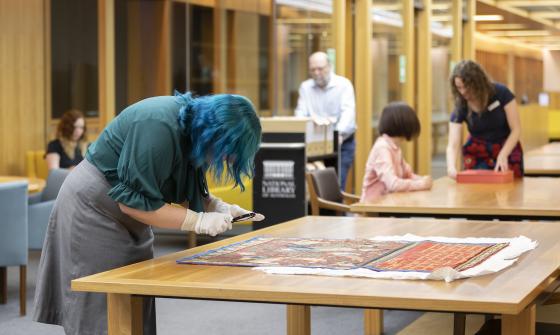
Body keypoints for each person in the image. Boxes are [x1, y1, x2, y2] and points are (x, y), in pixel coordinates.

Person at [33, 92, 265, 335]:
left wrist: (217, 206)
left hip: (131, 214)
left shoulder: (195, 129)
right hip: (94, 207)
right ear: (216, 133)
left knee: (135, 301)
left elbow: (182, 185)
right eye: (228, 152)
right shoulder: (158, 126)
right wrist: (198, 221)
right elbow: (133, 203)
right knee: (102, 309)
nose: (227, 159)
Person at [447, 60, 523, 178]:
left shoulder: (501, 93)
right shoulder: (461, 104)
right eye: (459, 87)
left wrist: (503, 154)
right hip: (478, 151)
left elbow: (516, 129)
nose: (463, 92)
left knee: (510, 190)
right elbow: (453, 143)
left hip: (507, 147)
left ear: (478, 83)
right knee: (477, 191)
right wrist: (451, 166)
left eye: (466, 87)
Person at [295, 51, 356, 190]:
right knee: (314, 188)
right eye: (313, 69)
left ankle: (336, 211)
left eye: (320, 68)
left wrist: (339, 135)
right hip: (315, 145)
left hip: (341, 143)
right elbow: (300, 113)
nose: (317, 73)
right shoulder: (305, 87)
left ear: (329, 67)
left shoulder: (343, 85)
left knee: (336, 185)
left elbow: (348, 114)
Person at [360, 102, 432, 203]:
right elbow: (393, 184)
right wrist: (421, 184)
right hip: (374, 209)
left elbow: (408, 175)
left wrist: (422, 179)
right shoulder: (382, 148)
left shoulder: (395, 147)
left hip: (389, 204)